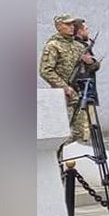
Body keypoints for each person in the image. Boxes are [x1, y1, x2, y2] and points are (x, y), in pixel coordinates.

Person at [39, 13, 99, 144]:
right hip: (62, 96)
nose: (72, 27)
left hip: (78, 94)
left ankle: (64, 157)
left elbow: (93, 66)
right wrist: (64, 87)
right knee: (61, 132)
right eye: (67, 24)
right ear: (59, 26)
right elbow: (45, 70)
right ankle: (57, 160)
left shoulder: (77, 45)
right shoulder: (53, 45)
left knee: (80, 132)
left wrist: (90, 62)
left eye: (72, 24)